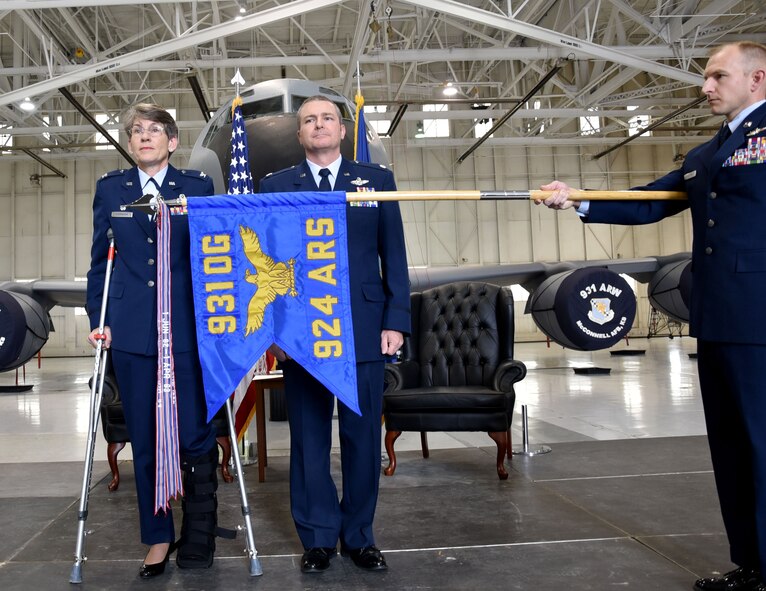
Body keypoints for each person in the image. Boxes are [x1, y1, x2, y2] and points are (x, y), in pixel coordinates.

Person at [537, 42, 766, 591]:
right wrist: (577, 199)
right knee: (733, 448)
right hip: (715, 318)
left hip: (759, 317)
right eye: (705, 77)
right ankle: (753, 564)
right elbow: (650, 200)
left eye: (717, 76)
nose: (705, 87)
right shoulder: (710, 151)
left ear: (757, 79)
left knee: (762, 445)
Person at [259, 96, 410, 573]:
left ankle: (360, 536)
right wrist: (274, 329)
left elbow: (395, 256)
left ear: (343, 130)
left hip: (365, 326)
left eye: (327, 119)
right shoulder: (276, 186)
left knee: (362, 436)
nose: (318, 126)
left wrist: (396, 320)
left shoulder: (376, 182)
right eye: (309, 121)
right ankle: (318, 538)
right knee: (308, 439)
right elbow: (267, 258)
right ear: (299, 134)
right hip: (302, 332)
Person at [86, 103, 222, 579]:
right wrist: (96, 316)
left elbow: (213, 258)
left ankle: (201, 530)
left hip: (185, 328)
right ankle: (158, 537)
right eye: (136, 131)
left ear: (172, 141)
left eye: (154, 130)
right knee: (144, 440)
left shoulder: (197, 188)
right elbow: (99, 262)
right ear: (129, 142)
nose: (144, 136)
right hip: (131, 329)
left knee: (192, 434)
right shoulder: (110, 190)